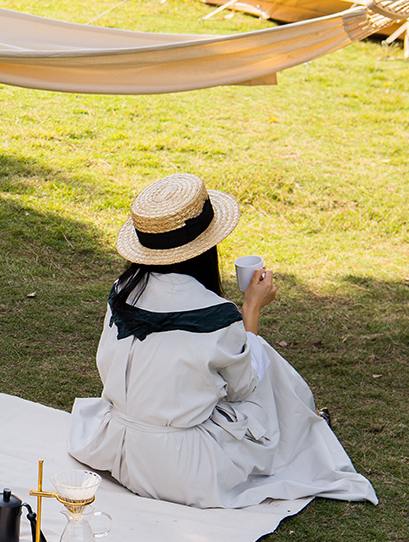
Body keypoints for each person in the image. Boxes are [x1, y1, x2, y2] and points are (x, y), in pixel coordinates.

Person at [67, 173, 377, 509]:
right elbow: (243, 389)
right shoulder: (215, 314)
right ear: (204, 247)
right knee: (262, 358)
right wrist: (251, 310)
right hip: (178, 469)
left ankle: (306, 421)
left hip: (116, 449)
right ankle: (306, 427)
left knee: (247, 356)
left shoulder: (122, 289)